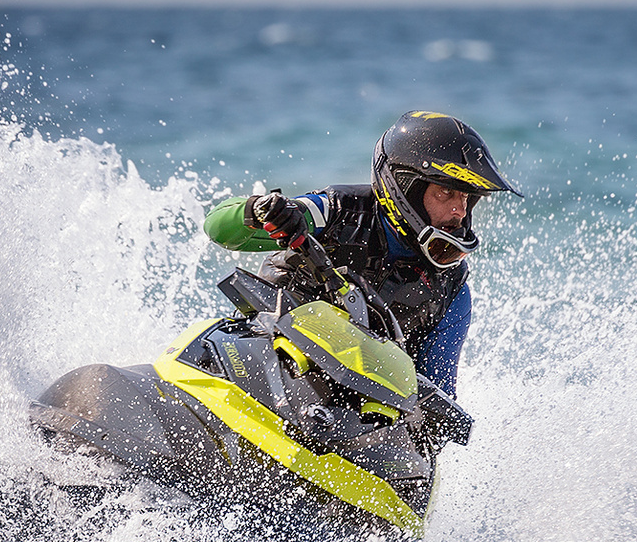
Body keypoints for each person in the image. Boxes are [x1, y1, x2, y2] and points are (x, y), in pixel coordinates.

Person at [200, 111, 518, 398]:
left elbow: (435, 402)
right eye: (446, 192)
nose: (459, 212)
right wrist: (259, 210)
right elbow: (217, 227)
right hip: (259, 367)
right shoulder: (337, 212)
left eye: (467, 198)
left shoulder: (452, 291)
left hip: (338, 415)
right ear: (406, 188)